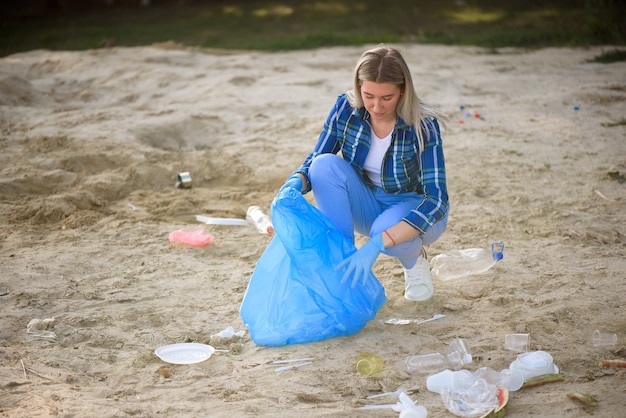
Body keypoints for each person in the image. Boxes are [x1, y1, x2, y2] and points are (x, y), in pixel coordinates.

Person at [280, 45, 449, 302]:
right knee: (323, 166)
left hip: (411, 206)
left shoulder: (423, 125)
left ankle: (414, 260)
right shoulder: (345, 108)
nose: (376, 106)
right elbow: (316, 159)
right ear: (358, 87)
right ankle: (342, 261)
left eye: (387, 98)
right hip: (367, 200)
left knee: (384, 230)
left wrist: (377, 244)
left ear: (403, 90)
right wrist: (296, 181)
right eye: (368, 95)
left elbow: (436, 200)